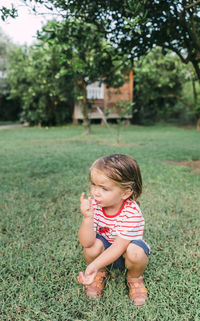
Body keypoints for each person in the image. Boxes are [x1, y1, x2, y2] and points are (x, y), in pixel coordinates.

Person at [77, 154, 150, 306]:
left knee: (136, 252)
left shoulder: (131, 212)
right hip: (104, 252)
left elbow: (119, 246)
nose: (96, 192)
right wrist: (87, 218)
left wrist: (93, 265)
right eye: (94, 185)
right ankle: (100, 273)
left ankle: (134, 278)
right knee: (91, 248)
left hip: (125, 253)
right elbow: (86, 242)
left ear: (125, 193)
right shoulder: (96, 206)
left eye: (104, 188)